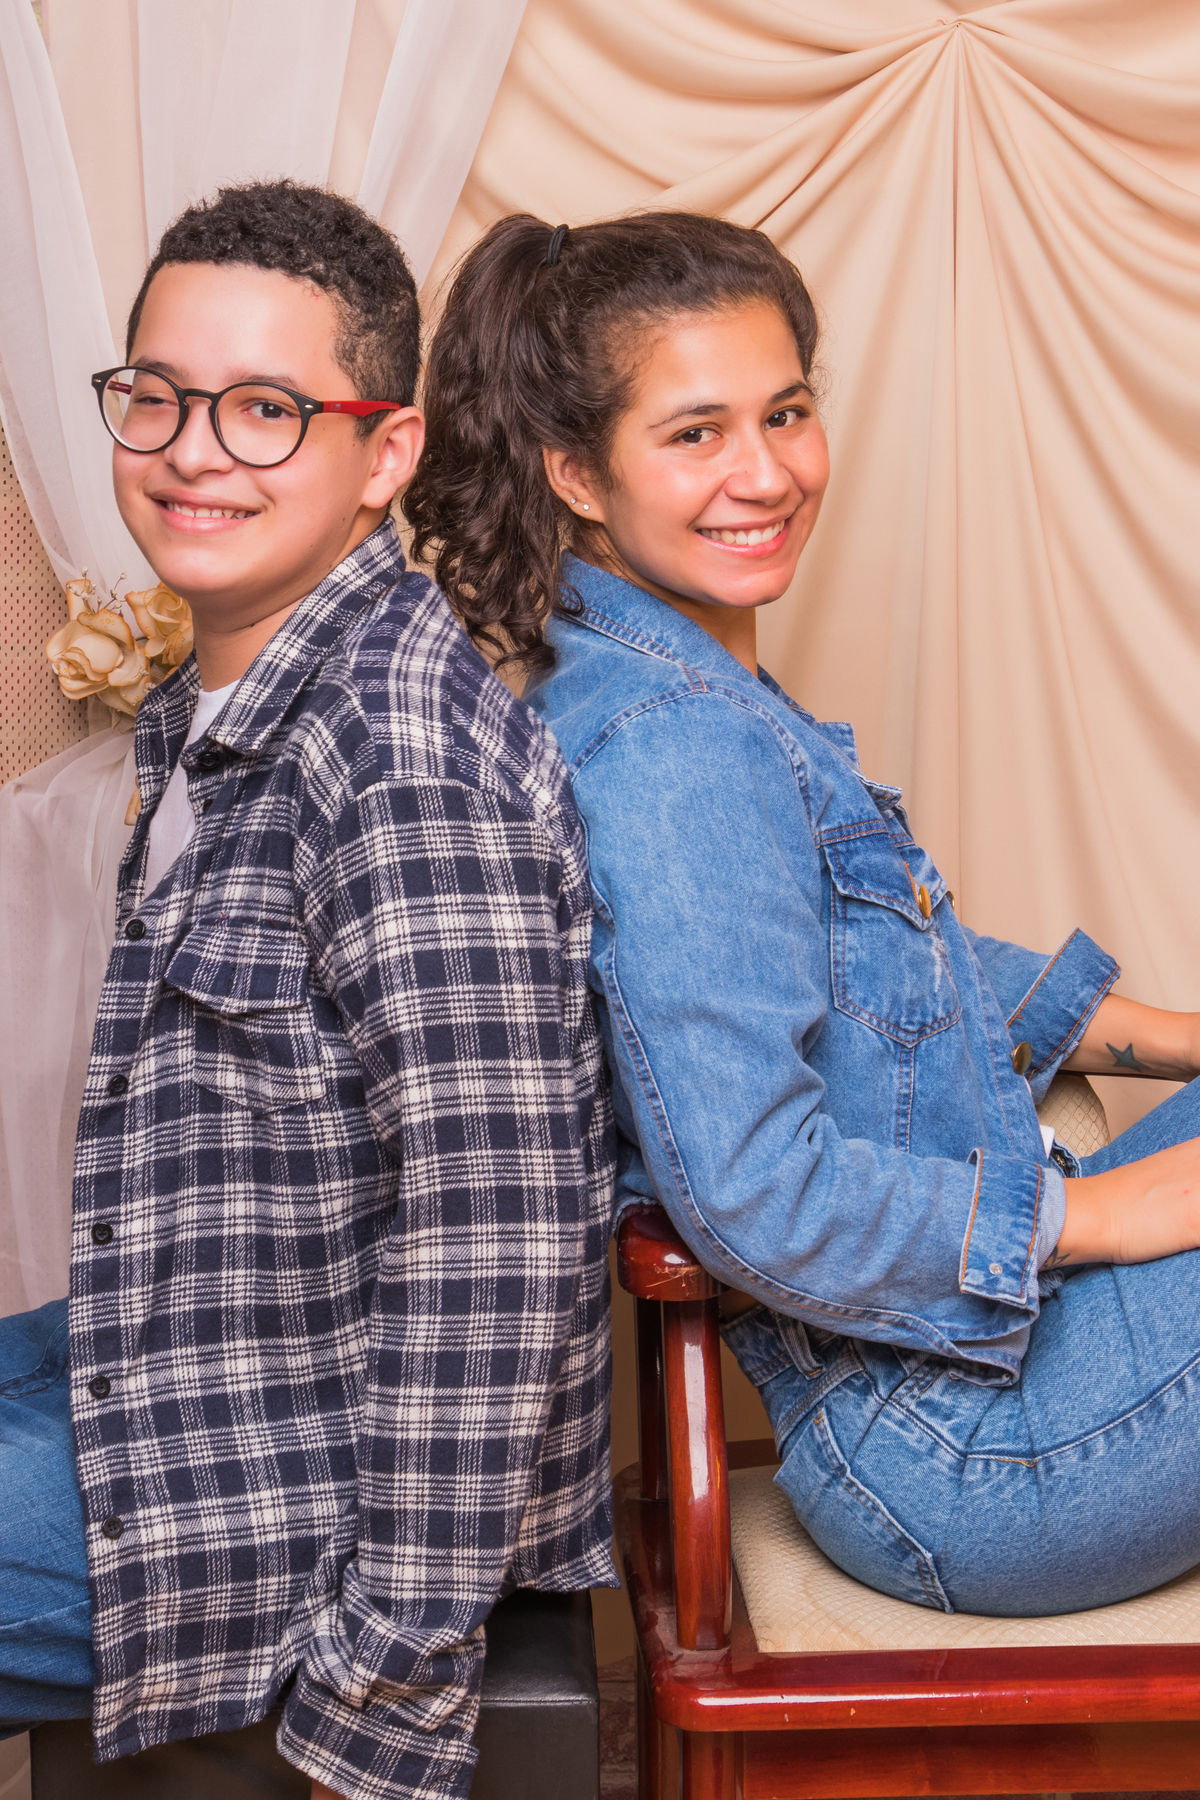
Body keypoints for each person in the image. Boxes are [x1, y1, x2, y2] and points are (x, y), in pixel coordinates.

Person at [404, 208, 1200, 1620]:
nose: (765, 473)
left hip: (986, 1376)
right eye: (695, 433)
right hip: (968, 1448)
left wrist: (1172, 1038)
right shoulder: (674, 747)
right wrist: (1097, 1212)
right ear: (577, 473)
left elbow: (866, 962)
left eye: (784, 413)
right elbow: (754, 1190)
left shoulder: (678, 688)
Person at [0, 182, 615, 1800]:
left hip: (275, 1490)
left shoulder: (400, 756)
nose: (192, 451)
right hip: (182, 1352)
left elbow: (499, 1252)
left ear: (384, 453)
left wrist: (383, 1690)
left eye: (266, 409)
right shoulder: (223, 706)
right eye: (157, 394)